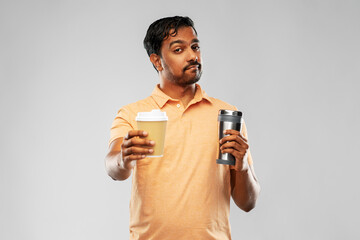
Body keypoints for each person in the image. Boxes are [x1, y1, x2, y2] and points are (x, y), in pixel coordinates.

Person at [105, 16, 260, 240]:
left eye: (195, 47)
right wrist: (123, 158)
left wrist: (243, 167)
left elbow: (248, 203)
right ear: (157, 61)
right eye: (179, 49)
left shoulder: (226, 115)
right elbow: (113, 166)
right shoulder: (133, 114)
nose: (192, 56)